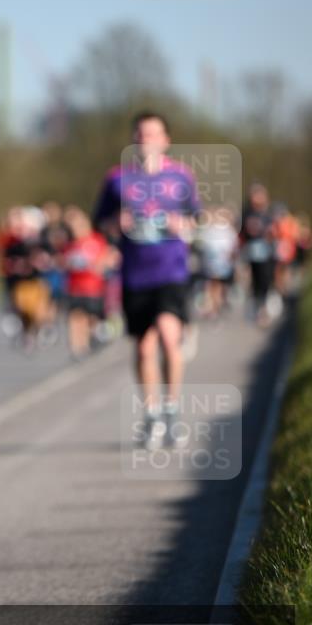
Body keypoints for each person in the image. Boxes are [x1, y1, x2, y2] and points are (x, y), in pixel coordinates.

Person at [93, 112, 200, 447]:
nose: (146, 140)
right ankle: (152, 415)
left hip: (172, 271)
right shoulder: (117, 179)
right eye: (140, 134)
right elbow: (101, 224)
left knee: (169, 338)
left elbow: (196, 220)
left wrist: (181, 225)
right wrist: (117, 224)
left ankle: (171, 410)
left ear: (165, 140)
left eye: (153, 134)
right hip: (136, 275)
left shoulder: (182, 176)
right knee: (143, 347)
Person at [61, 207, 114, 360]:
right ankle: (77, 347)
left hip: (93, 287)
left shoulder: (96, 240)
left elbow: (106, 258)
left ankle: (94, 336)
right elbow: (63, 262)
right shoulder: (70, 244)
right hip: (74, 287)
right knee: (76, 317)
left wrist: (99, 265)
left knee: (91, 319)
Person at [239, 183, 276, 327]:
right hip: (251, 252)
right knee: (254, 281)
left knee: (265, 280)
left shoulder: (268, 213)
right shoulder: (247, 213)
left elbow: (274, 232)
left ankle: (263, 308)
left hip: (266, 252)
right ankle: (257, 308)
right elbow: (241, 233)